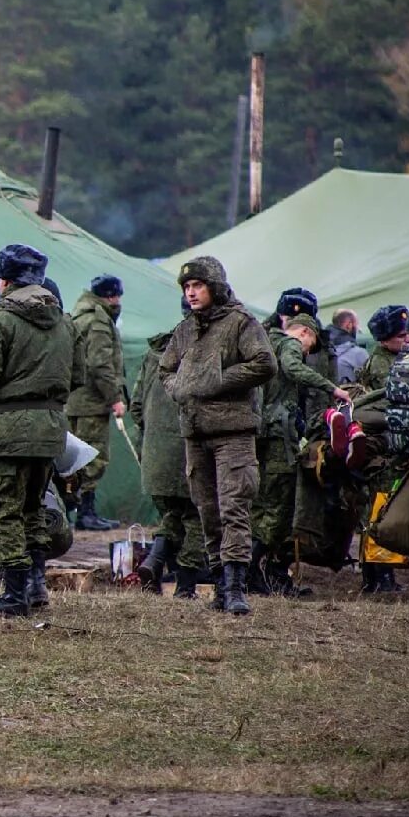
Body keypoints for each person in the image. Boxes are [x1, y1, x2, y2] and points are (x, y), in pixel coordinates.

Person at [159, 256, 276, 617]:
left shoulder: (241, 323)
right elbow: (166, 369)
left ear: (214, 286)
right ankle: (221, 586)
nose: (191, 293)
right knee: (207, 510)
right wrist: (179, 387)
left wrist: (216, 380)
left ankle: (237, 585)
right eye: (187, 287)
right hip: (196, 433)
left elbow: (265, 363)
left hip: (233, 433)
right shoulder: (184, 329)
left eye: (198, 286)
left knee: (234, 507)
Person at [0, 245, 75, 616]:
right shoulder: (65, 321)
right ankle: (36, 585)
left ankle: (14, 592)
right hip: (50, 428)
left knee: (1, 509)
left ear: (3, 278)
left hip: (8, 426)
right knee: (33, 506)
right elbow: (80, 376)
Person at [250, 312, 350, 596]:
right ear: (305, 333)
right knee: (279, 509)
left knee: (261, 504)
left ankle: (258, 574)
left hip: (261, 433)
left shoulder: (265, 342)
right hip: (279, 437)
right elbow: (293, 368)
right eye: (311, 345)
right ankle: (251, 571)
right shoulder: (290, 344)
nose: (308, 352)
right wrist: (332, 388)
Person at [131, 304, 208, 597]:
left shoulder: (157, 351)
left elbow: (137, 407)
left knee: (173, 515)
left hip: (155, 454)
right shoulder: (207, 350)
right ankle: (185, 587)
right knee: (197, 516)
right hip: (191, 448)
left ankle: (156, 559)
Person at [66, 274, 126, 531]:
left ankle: (75, 509)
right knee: (93, 458)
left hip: (74, 400)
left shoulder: (78, 315)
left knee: (74, 459)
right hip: (91, 402)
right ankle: (85, 513)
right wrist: (114, 397)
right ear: (111, 295)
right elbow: (100, 364)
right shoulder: (99, 320)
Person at [356, 305, 409, 392]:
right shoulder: (380, 363)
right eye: (401, 336)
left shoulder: (404, 354)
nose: (408, 339)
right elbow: (395, 393)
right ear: (384, 341)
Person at [328, 308, 368, 385]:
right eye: (357, 325)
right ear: (349, 325)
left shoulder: (321, 350)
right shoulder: (358, 353)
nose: (358, 329)